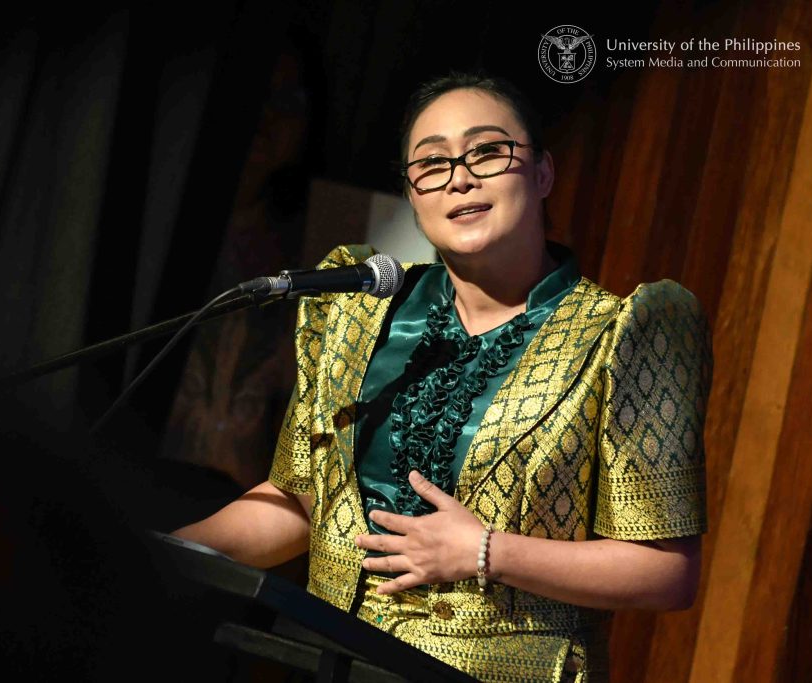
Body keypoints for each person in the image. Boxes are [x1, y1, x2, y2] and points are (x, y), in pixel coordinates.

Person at [172, 70, 712, 682]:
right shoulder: (356, 313)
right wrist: (161, 548)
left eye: (487, 150)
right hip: (319, 661)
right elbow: (299, 504)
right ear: (413, 193)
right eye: (432, 164)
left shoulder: (630, 334)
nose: (459, 176)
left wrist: (486, 552)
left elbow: (667, 572)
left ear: (542, 174)